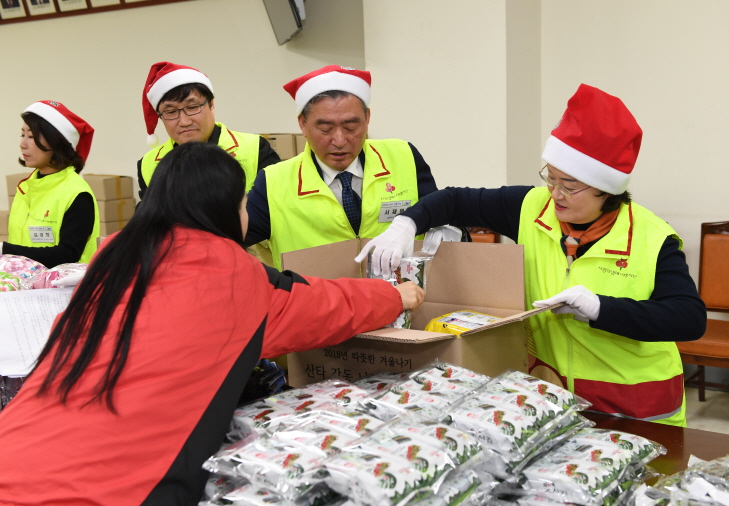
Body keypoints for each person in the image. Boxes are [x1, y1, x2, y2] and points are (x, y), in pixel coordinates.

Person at [0, 142, 424, 505]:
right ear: (223, 209)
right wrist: (395, 295)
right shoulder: (232, 276)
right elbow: (322, 307)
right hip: (109, 490)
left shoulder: (111, 261)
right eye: (243, 204)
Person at [357, 84, 706, 427]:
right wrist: (405, 225)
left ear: (607, 190)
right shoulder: (530, 207)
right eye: (549, 178)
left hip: (636, 409)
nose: (555, 193)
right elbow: (454, 200)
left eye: (569, 185)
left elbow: (688, 319)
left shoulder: (653, 237)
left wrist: (602, 308)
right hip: (553, 400)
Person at [244, 65, 439, 270]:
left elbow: (437, 213)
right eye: (325, 128)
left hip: (401, 297)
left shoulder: (403, 156)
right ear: (303, 124)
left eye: (351, 127)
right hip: (318, 300)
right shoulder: (274, 182)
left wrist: (447, 227)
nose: (339, 140)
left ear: (367, 119)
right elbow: (228, 242)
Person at [137, 61, 281, 199]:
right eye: (171, 112)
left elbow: (271, 210)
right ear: (160, 117)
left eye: (192, 107)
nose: (184, 121)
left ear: (211, 104)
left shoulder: (254, 148)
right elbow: (149, 220)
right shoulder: (148, 164)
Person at [3, 100, 99, 267]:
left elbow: (67, 254)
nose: (22, 144)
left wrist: (5, 250)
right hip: (24, 288)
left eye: (31, 136)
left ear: (56, 142)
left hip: (63, 290)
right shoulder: (26, 188)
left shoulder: (76, 193)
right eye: (22, 134)